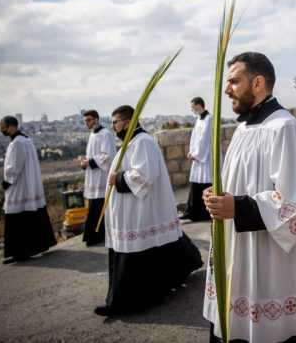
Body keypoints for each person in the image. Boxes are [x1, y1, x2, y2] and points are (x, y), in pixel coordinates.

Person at [202, 52, 296, 342]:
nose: (226, 90)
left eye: (234, 81)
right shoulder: (244, 128)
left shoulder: (284, 128)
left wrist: (239, 206)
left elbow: (295, 205)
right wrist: (218, 196)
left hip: (268, 260)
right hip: (237, 248)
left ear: (258, 83)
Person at [95, 105, 203, 316]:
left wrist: (116, 178)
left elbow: (144, 175)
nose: (112, 127)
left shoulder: (143, 142)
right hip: (132, 211)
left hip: (139, 211)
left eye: (115, 122)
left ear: (127, 122)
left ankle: (125, 302)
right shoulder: (132, 142)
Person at [0, 116, 56, 264]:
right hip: (27, 185)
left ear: (11, 126)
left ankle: (19, 252)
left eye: (3, 127)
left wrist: (7, 181)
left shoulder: (18, 143)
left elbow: (14, 166)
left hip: (19, 187)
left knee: (16, 220)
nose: (2, 130)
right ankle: (36, 246)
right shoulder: (26, 140)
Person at [80, 110, 116, 246]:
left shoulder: (105, 134)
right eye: (85, 121)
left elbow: (107, 156)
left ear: (96, 119)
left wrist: (90, 162)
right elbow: (91, 154)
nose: (86, 123)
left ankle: (97, 236)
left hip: (101, 177)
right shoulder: (92, 134)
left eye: (89, 120)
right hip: (92, 177)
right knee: (93, 208)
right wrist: (85, 162)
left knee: (99, 207)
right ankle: (93, 235)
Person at [181, 97, 213, 221]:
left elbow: (204, 138)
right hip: (198, 157)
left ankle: (203, 213)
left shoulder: (209, 119)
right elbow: (194, 137)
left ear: (199, 106)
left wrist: (197, 154)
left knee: (206, 182)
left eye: (193, 107)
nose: (192, 110)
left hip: (206, 156)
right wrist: (192, 152)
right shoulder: (199, 119)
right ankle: (193, 211)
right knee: (196, 183)